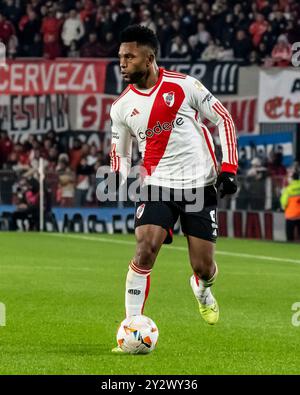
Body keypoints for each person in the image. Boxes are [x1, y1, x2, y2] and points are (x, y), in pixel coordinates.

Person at [109, 25, 238, 352]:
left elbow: (223, 119)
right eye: (120, 57)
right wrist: (119, 176)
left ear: (149, 58)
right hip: (156, 185)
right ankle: (131, 326)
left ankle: (203, 288)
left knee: (203, 266)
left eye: (129, 56)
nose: (122, 63)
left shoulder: (185, 86)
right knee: (145, 247)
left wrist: (229, 168)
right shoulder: (121, 107)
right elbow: (120, 152)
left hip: (200, 184)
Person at [280, 172, 300, 242]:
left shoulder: (288, 190)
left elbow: (283, 203)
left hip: (291, 215)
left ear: (292, 179)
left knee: (290, 236)